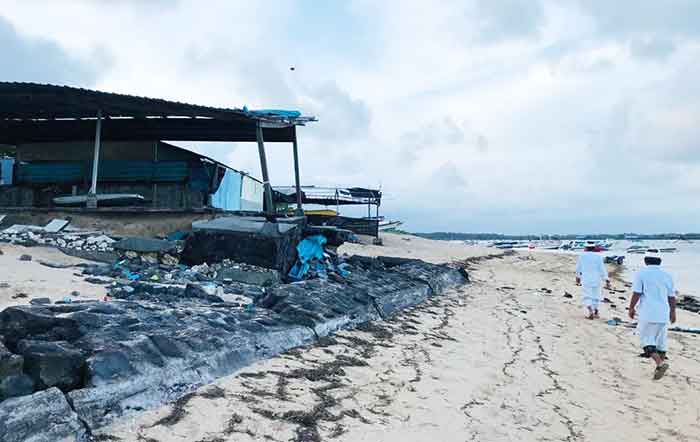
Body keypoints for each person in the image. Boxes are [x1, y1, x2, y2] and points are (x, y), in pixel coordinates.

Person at [629, 249, 676, 380]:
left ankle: (660, 364)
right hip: (664, 313)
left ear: (645, 260)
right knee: (661, 342)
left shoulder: (641, 274)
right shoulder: (667, 275)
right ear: (659, 261)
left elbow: (637, 293)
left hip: (648, 313)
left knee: (646, 340)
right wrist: (673, 311)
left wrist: (631, 308)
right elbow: (671, 296)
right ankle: (658, 369)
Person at [575, 243, 610, 319]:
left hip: (586, 279)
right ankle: (596, 311)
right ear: (594, 248)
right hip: (596, 279)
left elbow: (578, 268)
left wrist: (578, 277)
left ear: (586, 248)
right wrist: (606, 279)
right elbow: (602, 269)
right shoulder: (598, 256)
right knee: (596, 295)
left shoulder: (582, 256)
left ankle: (590, 311)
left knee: (587, 295)